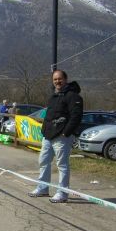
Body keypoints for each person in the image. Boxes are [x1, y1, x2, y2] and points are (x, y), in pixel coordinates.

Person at [28, 70, 83, 203]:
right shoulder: (54, 96)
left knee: (62, 165)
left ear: (65, 79)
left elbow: (76, 117)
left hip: (62, 137)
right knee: (43, 161)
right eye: (55, 80)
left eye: (60, 79)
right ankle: (43, 188)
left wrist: (66, 133)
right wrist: (44, 130)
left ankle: (62, 193)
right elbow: (49, 116)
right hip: (48, 136)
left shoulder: (73, 96)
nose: (57, 82)